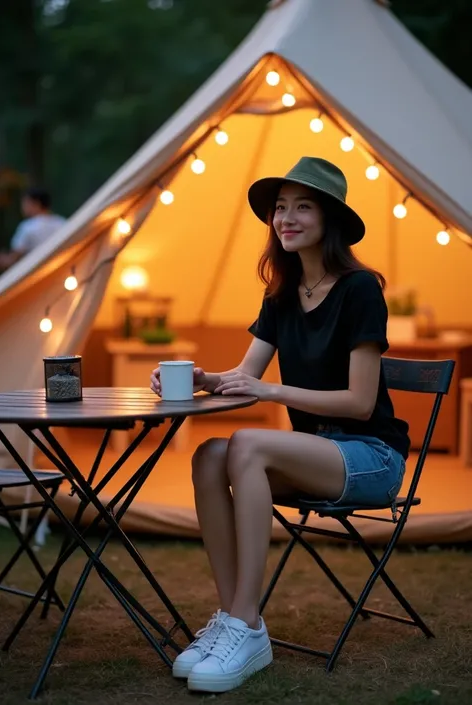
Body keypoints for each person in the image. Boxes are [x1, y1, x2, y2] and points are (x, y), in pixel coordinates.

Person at [150, 156, 410, 694]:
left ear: (330, 219)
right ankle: (233, 619)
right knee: (209, 455)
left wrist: (271, 390)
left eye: (302, 207)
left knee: (245, 444)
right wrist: (200, 378)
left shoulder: (361, 290)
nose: (286, 219)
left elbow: (361, 403)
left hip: (371, 457)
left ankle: (245, 624)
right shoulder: (282, 294)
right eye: (280, 209)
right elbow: (244, 375)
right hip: (315, 452)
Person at [0, 187, 65, 273]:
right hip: (61, 269)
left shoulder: (27, 227)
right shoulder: (61, 222)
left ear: (36, 204)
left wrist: (3, 259)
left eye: (25, 203)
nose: (22, 207)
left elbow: (13, 258)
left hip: (38, 275)